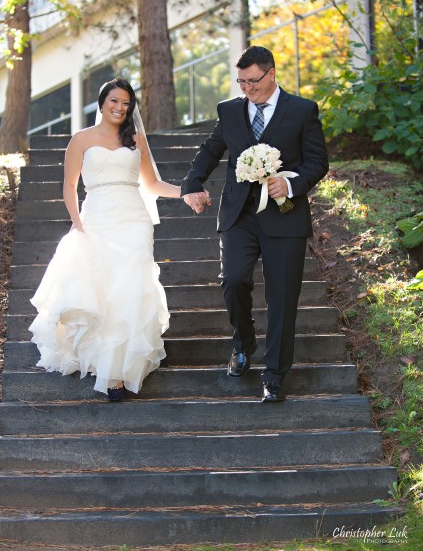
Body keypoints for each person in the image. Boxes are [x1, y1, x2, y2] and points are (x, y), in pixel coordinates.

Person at [180, 45, 329, 403]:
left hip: (285, 215)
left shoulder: (303, 111)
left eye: (253, 81)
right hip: (239, 215)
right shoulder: (230, 112)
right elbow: (211, 149)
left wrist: (291, 184)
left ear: (271, 73)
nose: (247, 88)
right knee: (232, 279)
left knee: (282, 297)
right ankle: (243, 345)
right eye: (241, 82)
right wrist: (192, 183)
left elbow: (318, 161)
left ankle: (275, 373)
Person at [29, 78, 182, 401]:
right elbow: (69, 187)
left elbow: (152, 184)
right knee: (106, 290)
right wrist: (77, 223)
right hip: (97, 218)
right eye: (114, 101)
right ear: (102, 103)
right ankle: (110, 371)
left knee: (130, 287)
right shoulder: (81, 139)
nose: (120, 108)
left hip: (134, 219)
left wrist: (187, 192)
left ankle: (124, 368)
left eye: (126, 103)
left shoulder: (136, 139)